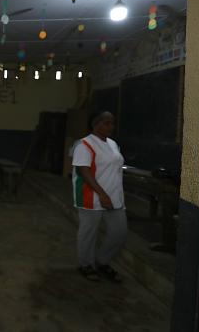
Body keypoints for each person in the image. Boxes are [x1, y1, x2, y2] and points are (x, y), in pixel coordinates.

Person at [71, 111, 127, 282]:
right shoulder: (84, 145)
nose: (111, 126)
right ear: (95, 124)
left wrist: (110, 194)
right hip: (91, 197)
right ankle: (85, 264)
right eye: (106, 123)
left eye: (112, 123)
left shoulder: (113, 144)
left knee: (119, 233)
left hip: (114, 197)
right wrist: (102, 194)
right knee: (88, 233)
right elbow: (84, 171)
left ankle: (102, 261)